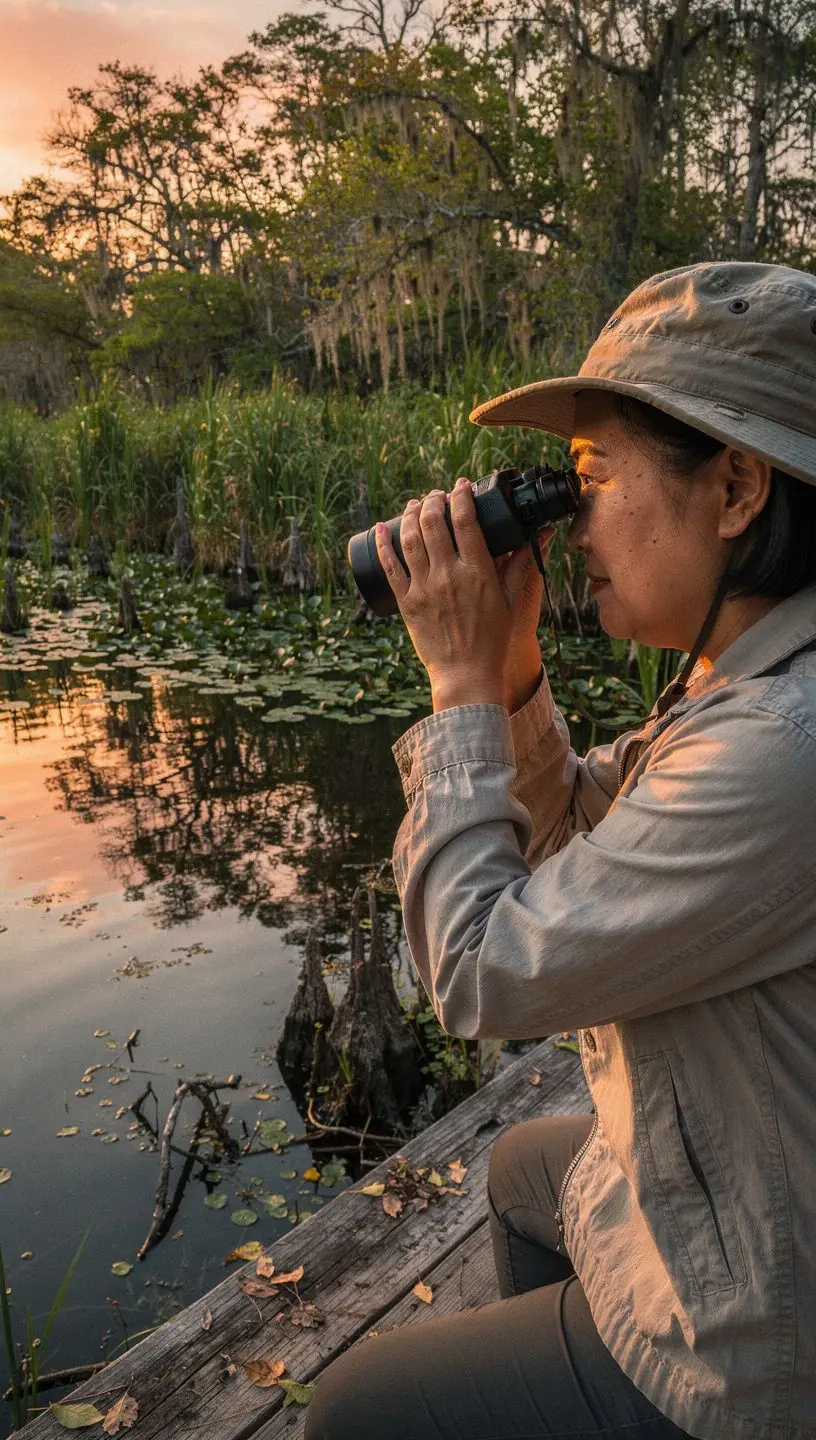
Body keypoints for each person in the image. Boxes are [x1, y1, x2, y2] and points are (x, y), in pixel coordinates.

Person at [303, 261, 816, 1440]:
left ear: (735, 487)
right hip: (769, 1171)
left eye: (589, 480)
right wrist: (520, 668)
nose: (568, 520)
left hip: (772, 1355)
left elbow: (483, 973)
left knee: (351, 1413)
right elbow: (597, 837)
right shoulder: (755, 671)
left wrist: (463, 683)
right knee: (525, 1171)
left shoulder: (784, 746)